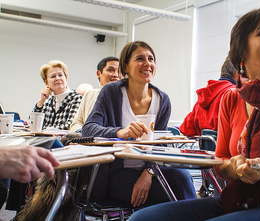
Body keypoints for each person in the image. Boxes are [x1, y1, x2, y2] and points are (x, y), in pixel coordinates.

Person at [128, 7, 260, 221]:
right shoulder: (232, 99)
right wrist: (234, 167)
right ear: (241, 50)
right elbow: (222, 161)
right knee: (141, 218)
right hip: (239, 201)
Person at [82, 41, 196, 208]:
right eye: (140, 58)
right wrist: (120, 132)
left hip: (151, 169)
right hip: (117, 171)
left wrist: (148, 173)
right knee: (168, 195)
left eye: (151, 59)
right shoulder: (111, 92)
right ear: (126, 67)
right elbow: (88, 129)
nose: (147, 64)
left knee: (182, 176)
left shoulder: (162, 100)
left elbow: (159, 146)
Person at [179, 57, 237, 137]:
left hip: (202, 148)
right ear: (237, 73)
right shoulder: (235, 94)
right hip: (226, 148)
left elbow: (185, 130)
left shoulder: (204, 95)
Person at [70, 56, 120, 132]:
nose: (116, 75)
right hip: (88, 140)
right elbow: (77, 122)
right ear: (98, 73)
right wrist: (84, 132)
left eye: (119, 71)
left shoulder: (125, 97)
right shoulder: (89, 94)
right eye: (110, 70)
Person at [33, 60, 82, 130]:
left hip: (63, 140)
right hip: (43, 139)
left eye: (60, 75)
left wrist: (45, 132)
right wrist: (41, 101)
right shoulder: (47, 101)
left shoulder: (77, 98)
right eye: (53, 76)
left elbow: (69, 126)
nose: (57, 78)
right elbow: (33, 125)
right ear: (46, 82)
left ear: (66, 78)